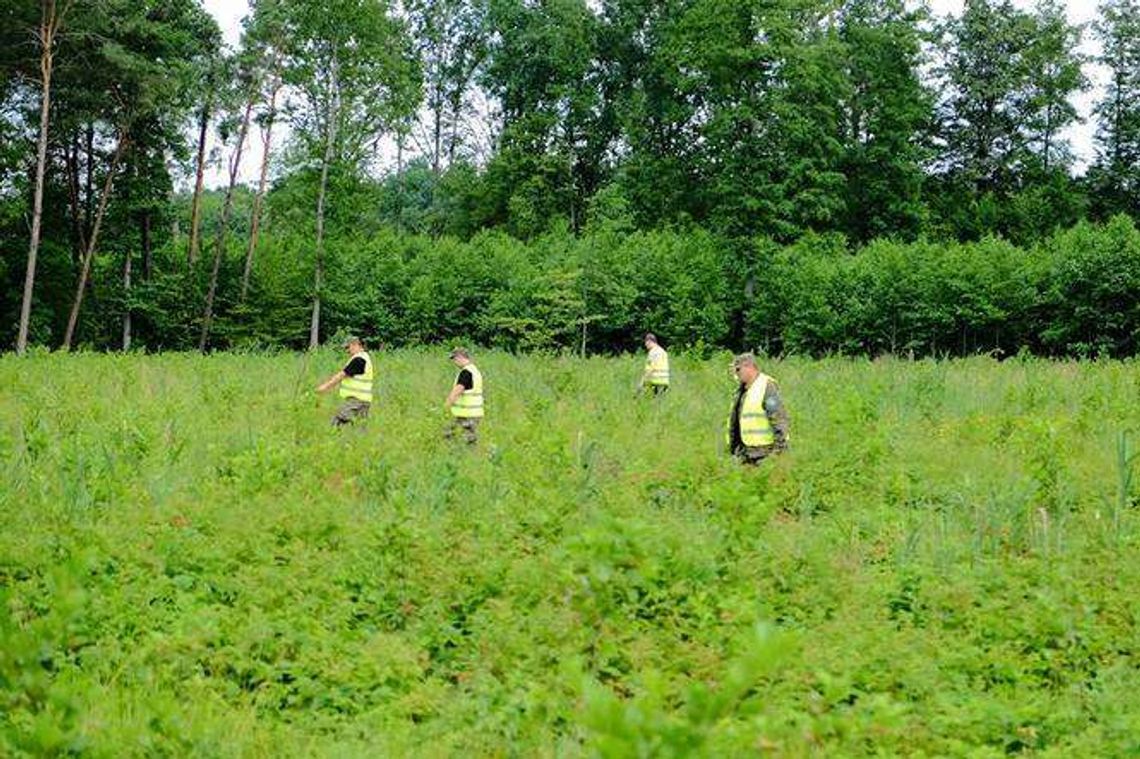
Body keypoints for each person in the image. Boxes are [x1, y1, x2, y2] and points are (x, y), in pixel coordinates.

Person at [727, 352, 789, 464]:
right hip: (746, 453)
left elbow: (779, 419)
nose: (736, 374)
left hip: (765, 454)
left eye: (738, 370)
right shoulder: (742, 390)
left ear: (749, 367)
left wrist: (778, 451)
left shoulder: (767, 386)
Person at [316, 335, 373, 426]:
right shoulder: (365, 357)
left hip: (356, 401)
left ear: (355, 345)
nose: (347, 350)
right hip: (363, 400)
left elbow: (341, 375)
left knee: (336, 423)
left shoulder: (359, 359)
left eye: (348, 347)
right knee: (359, 428)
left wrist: (324, 387)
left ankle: (334, 438)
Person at [444, 346, 483, 444]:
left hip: (466, 414)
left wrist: (446, 405)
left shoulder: (466, 372)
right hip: (474, 413)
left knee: (450, 435)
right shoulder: (475, 370)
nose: (454, 362)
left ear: (460, 357)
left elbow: (458, 390)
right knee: (470, 441)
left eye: (454, 359)